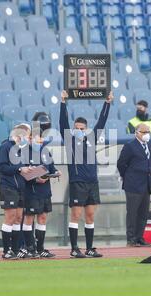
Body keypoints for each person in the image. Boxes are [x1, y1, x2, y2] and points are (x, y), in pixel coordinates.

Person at [59, 90, 113, 258]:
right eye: (76, 128)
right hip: (77, 182)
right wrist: (63, 102)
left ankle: (89, 248)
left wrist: (108, 102)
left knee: (90, 215)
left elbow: (102, 122)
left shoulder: (92, 139)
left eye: (82, 128)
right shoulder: (70, 141)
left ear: (86, 129)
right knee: (76, 215)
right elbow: (62, 123)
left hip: (92, 182)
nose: (79, 130)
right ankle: (74, 248)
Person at [22, 116, 61, 258]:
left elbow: (51, 168)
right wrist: (35, 177)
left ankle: (40, 248)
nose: (39, 140)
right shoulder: (24, 152)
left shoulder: (46, 152)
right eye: (36, 138)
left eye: (41, 138)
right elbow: (23, 172)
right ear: (30, 138)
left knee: (43, 218)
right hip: (31, 191)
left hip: (45, 191)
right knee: (29, 219)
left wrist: (56, 172)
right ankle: (29, 248)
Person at [0, 123, 35, 259]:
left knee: (18, 218)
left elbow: (20, 167)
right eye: (27, 135)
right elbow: (2, 167)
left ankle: (15, 249)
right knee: (10, 217)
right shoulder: (6, 146)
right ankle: (6, 250)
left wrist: (28, 169)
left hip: (20, 187)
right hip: (8, 186)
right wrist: (20, 169)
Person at [117, 123, 151, 247]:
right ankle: (131, 239)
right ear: (136, 132)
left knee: (143, 213)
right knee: (132, 212)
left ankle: (139, 237)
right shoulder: (130, 146)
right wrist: (127, 176)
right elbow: (121, 163)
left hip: (146, 184)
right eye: (144, 132)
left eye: (148, 132)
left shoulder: (150, 146)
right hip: (133, 184)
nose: (146, 134)